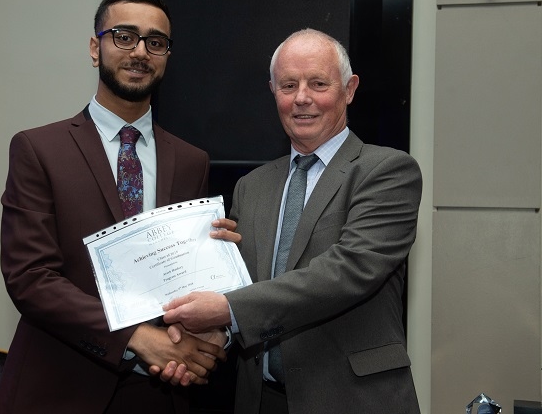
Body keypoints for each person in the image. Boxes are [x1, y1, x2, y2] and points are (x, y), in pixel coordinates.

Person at [0, 0, 230, 414]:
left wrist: (215, 303)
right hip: (59, 388)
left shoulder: (192, 160)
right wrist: (136, 339)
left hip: (161, 392)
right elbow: (30, 277)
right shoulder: (38, 149)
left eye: (155, 42)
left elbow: (186, 278)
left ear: (166, 56)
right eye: (124, 36)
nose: (140, 51)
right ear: (94, 47)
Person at [162, 29, 423, 414]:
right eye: (288, 85)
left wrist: (227, 311)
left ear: (349, 89)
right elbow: (243, 288)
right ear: (273, 91)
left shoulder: (387, 171)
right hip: (260, 400)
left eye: (318, 83)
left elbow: (347, 271)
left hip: (355, 399)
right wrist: (208, 337)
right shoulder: (252, 187)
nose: (302, 98)